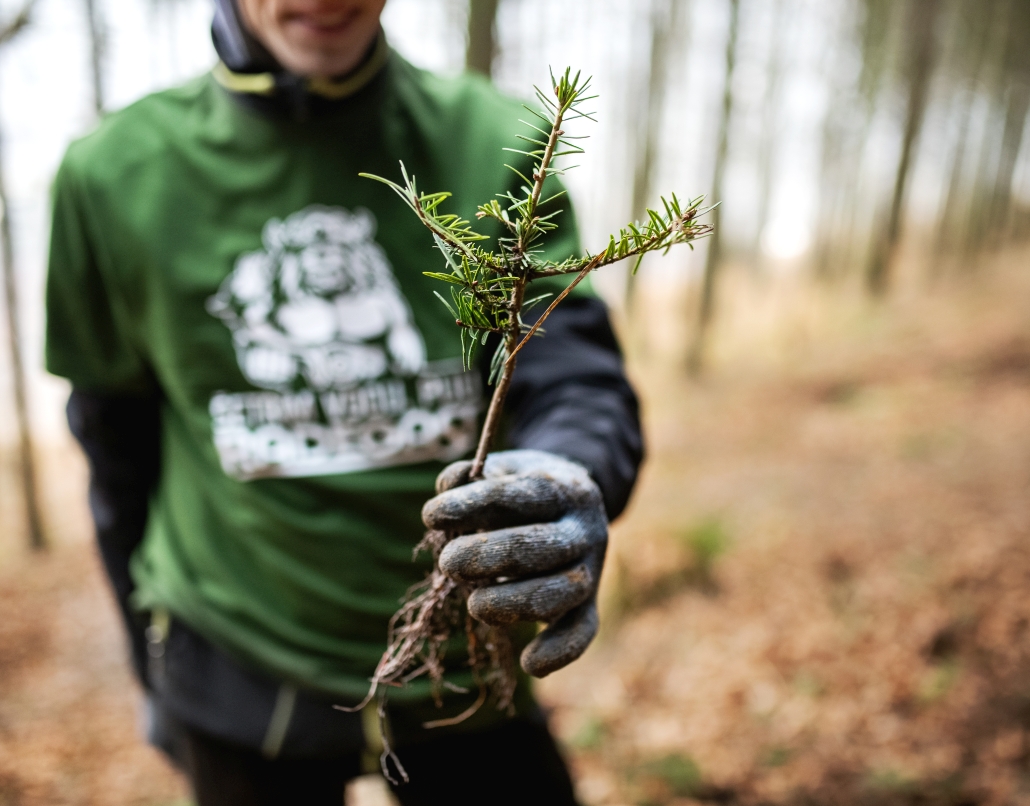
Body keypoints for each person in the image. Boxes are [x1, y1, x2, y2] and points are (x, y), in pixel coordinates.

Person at [44, 0, 644, 804]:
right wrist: (152, 666)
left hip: (467, 659)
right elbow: (115, 449)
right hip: (237, 665)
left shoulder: (493, 144)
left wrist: (566, 472)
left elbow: (572, 375)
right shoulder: (114, 176)